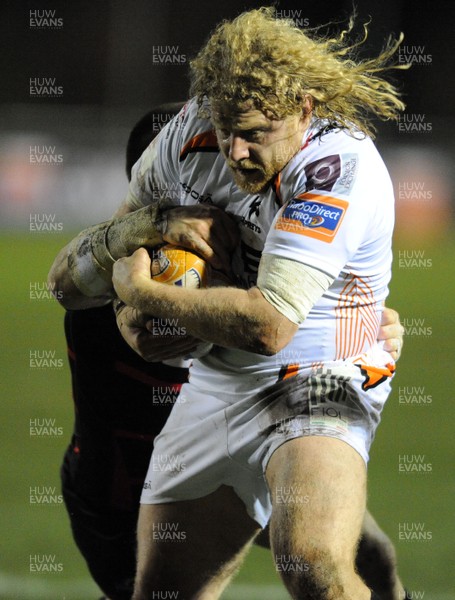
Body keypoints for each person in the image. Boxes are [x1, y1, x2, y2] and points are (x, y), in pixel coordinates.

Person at [49, 9, 408, 598]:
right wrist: (137, 267)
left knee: (313, 563)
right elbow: (68, 286)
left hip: (318, 373)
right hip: (214, 386)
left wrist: (143, 293)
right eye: (225, 129)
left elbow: (269, 327)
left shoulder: (337, 165)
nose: (236, 151)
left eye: (255, 133)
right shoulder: (187, 133)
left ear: (304, 109)